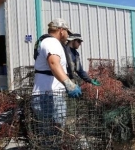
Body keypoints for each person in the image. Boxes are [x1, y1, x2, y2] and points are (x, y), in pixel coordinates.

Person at [31, 18, 81, 149]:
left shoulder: (47, 42)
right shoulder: (52, 42)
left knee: (50, 136)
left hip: (47, 94)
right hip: (48, 96)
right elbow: (53, 64)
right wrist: (69, 84)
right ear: (61, 30)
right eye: (66, 32)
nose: (68, 35)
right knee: (52, 135)